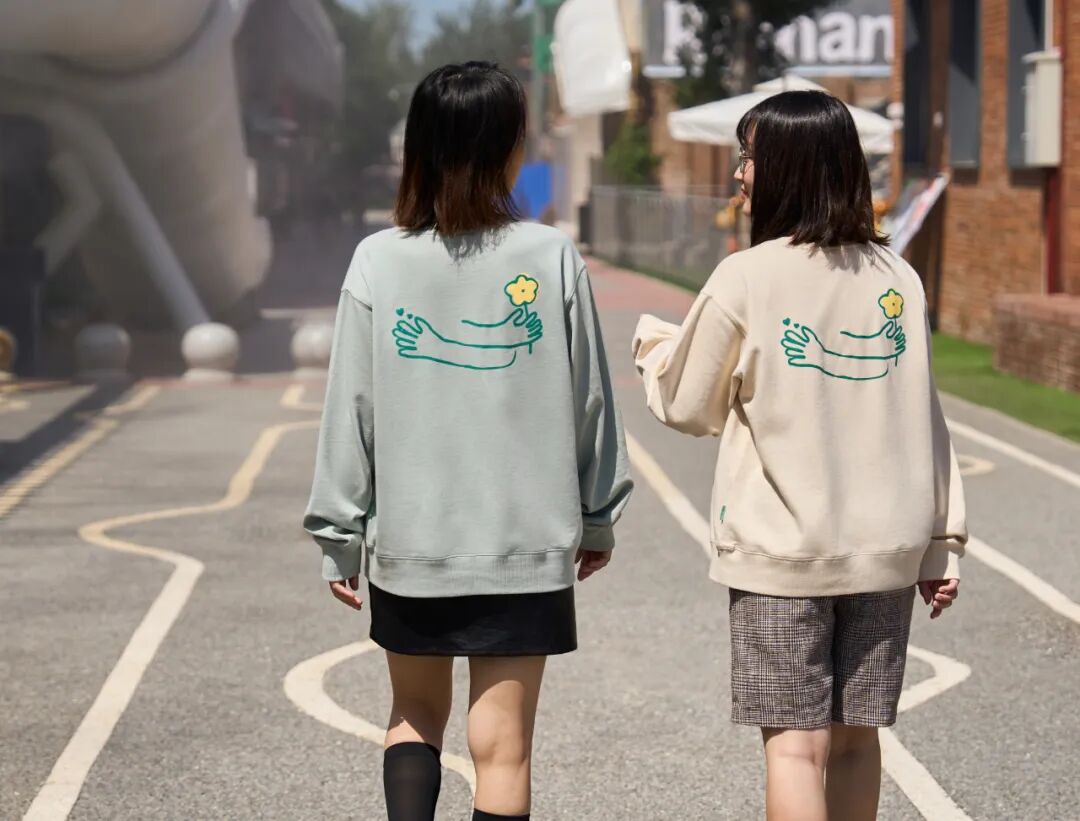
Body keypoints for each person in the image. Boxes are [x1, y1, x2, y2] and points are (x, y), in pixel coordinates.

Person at [303, 61, 632, 821]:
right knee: (504, 746)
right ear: (508, 149)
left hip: (414, 544)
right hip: (524, 543)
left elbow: (351, 408)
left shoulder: (378, 259)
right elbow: (590, 400)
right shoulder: (550, 255)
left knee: (414, 714)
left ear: (420, 147)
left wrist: (339, 535)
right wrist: (597, 516)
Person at [632, 90, 967, 821]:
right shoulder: (898, 277)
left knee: (794, 749)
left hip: (781, 552)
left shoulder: (747, 277)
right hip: (886, 550)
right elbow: (925, 415)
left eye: (749, 157)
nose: (739, 173)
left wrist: (655, 347)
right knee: (856, 743)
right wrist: (943, 541)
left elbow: (689, 405)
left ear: (788, 166)